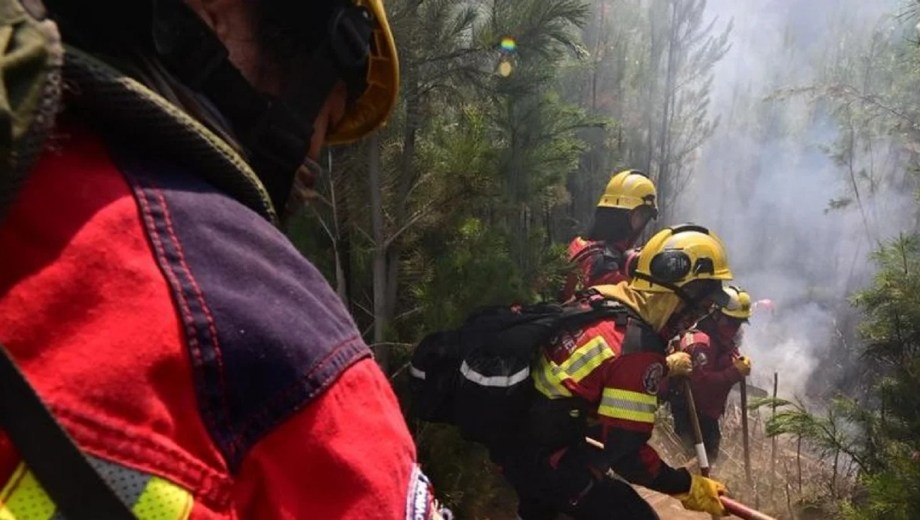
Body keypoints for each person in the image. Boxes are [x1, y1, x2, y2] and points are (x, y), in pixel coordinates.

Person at [0, 0, 449, 518]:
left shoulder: (37, 178)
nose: (310, 164)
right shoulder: (281, 349)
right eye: (320, 121)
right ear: (216, 14)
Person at [501, 224, 734, 520]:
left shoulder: (604, 300)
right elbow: (629, 456)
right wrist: (689, 488)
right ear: (682, 291)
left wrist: (662, 366)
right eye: (701, 306)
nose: (696, 318)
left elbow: (598, 374)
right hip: (544, 458)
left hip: (521, 440)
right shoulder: (637, 348)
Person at [667, 285, 754, 464]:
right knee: (694, 462)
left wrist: (738, 362)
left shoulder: (722, 340)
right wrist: (734, 372)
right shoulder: (701, 343)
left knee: (710, 459)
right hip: (692, 414)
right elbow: (702, 384)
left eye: (739, 323)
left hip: (708, 414)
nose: (735, 328)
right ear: (717, 315)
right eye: (732, 322)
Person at [561, 170, 658, 301]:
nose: (642, 224)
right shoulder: (605, 265)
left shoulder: (579, 245)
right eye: (641, 215)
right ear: (623, 217)